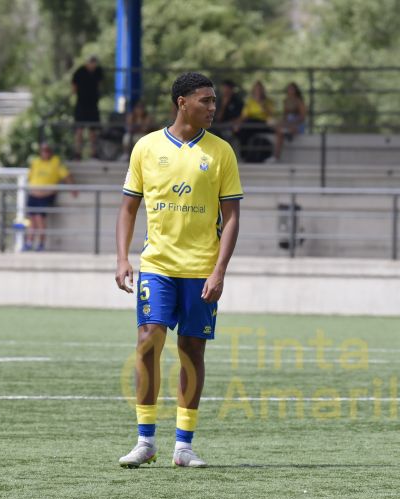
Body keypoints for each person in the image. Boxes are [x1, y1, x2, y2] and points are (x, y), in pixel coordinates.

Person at [115, 72, 243, 468]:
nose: (212, 107)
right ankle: (145, 440)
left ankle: (183, 446)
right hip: (157, 266)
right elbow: (128, 207)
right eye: (205, 100)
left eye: (214, 100)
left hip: (201, 270)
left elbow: (233, 214)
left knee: (191, 350)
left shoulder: (221, 152)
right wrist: (121, 258)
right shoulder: (147, 147)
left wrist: (219, 270)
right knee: (148, 341)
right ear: (182, 102)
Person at [24, 142, 77, 252]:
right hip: (33, 195)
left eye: (47, 150)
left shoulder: (56, 162)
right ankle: (29, 243)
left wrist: (73, 188)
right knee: (31, 220)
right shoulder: (36, 162)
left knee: (39, 219)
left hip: (45, 196)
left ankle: (41, 244)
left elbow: (66, 175)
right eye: (43, 151)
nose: (45, 153)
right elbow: (30, 176)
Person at [233, 80, 275, 162]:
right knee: (241, 131)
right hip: (250, 123)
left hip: (263, 123)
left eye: (259, 89)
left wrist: (261, 103)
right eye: (256, 89)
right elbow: (244, 116)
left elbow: (270, 115)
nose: (258, 91)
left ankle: (245, 155)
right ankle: (245, 155)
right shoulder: (250, 102)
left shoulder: (268, 102)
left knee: (245, 128)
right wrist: (237, 124)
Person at [71, 55, 104, 159]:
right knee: (79, 131)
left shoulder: (98, 71)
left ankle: (94, 153)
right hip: (81, 105)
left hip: (93, 105)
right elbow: (74, 87)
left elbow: (99, 85)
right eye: (91, 63)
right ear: (87, 63)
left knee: (93, 131)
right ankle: (77, 153)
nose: (93, 66)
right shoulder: (79, 72)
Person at [266, 82, 306, 163]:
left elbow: (302, 117)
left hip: (297, 125)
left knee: (281, 129)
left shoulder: (299, 101)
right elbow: (285, 116)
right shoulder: (286, 101)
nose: (290, 91)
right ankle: (276, 156)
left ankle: (288, 133)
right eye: (289, 89)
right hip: (288, 123)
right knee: (276, 126)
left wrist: (292, 122)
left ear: (296, 90)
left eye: (292, 89)